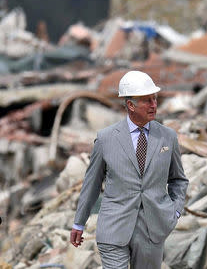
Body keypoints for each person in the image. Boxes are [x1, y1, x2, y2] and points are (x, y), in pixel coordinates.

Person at [70, 70, 189, 269]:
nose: (154, 105)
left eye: (154, 98)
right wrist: (79, 223)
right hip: (113, 227)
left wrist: (174, 212)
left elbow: (178, 180)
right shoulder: (106, 138)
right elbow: (92, 184)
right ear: (130, 105)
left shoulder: (168, 137)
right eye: (146, 100)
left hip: (153, 229)